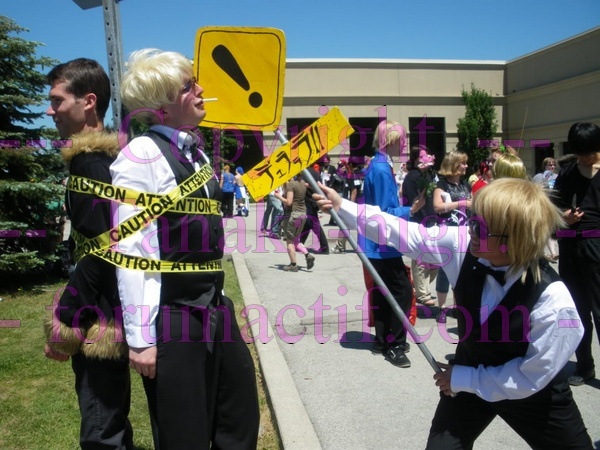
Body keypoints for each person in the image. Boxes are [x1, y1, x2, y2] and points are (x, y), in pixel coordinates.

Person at [316, 178, 592, 449]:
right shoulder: (464, 245)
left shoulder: (554, 301)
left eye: (482, 229)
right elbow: (407, 233)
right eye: (473, 221)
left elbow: (531, 376)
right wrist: (343, 206)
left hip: (533, 395)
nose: (471, 230)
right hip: (468, 376)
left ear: (514, 240)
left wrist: (462, 379)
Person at [111, 48, 259, 448]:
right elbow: (132, 250)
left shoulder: (195, 153)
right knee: (184, 433)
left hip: (213, 307)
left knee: (239, 416)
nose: (201, 90)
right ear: (161, 106)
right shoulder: (141, 156)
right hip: (174, 317)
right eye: (188, 86)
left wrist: (220, 295)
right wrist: (141, 338)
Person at [42, 58, 134, 449]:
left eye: (57, 100)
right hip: (116, 308)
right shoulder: (110, 161)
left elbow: (101, 252)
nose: (49, 111)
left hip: (100, 319)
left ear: (89, 102)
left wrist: (66, 321)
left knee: (102, 430)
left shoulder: (90, 165)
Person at [360, 119, 423, 367]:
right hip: (382, 243)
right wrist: (411, 209)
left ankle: (383, 340)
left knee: (383, 293)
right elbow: (386, 212)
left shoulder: (377, 165)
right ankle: (395, 345)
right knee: (402, 292)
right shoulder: (382, 169)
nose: (405, 144)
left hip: (374, 242)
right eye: (403, 139)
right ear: (392, 140)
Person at [553, 122, 600, 387]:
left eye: (589, 152)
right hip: (571, 246)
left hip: (598, 245)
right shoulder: (568, 172)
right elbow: (554, 208)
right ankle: (585, 365)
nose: (585, 158)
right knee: (578, 311)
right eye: (580, 152)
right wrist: (564, 217)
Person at [431, 150, 472, 323]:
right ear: (454, 164)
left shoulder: (465, 185)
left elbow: (473, 202)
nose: (466, 166)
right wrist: (461, 203)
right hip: (447, 231)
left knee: (461, 270)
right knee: (444, 271)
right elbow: (437, 207)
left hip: (464, 230)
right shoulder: (441, 185)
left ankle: (458, 306)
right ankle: (441, 307)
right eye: (463, 163)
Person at [402, 145, 438, 307]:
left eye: (428, 154)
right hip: (419, 221)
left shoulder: (429, 174)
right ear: (416, 158)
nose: (427, 157)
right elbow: (413, 201)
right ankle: (423, 294)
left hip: (433, 220)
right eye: (424, 155)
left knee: (435, 261)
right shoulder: (412, 177)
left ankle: (418, 287)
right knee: (421, 259)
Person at [275, 174, 315, 271]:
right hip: (302, 214)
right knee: (296, 239)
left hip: (294, 215)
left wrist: (278, 196)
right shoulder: (302, 183)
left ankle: (293, 265)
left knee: (289, 240)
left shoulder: (291, 185)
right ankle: (307, 255)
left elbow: (289, 202)